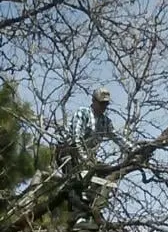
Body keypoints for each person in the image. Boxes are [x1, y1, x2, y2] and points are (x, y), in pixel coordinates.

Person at [56, 87, 132, 222]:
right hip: (68, 150)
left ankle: (92, 211)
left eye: (106, 104)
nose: (103, 107)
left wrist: (133, 149)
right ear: (94, 101)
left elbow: (116, 137)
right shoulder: (83, 113)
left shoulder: (105, 121)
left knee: (104, 176)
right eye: (101, 103)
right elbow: (76, 138)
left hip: (87, 156)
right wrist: (85, 160)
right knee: (77, 182)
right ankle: (76, 216)